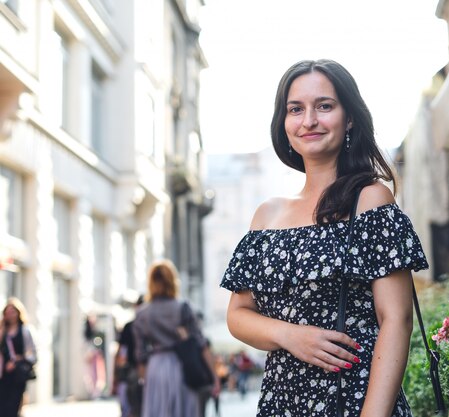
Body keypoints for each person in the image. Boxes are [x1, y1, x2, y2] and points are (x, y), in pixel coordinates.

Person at [221, 59, 429, 417]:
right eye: (295, 109)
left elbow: (396, 319)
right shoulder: (267, 215)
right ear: (283, 122)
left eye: (324, 106)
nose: (309, 121)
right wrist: (291, 335)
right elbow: (239, 314)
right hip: (282, 404)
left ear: (349, 118)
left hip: (355, 400)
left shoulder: (370, 199)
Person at [133, 260, 219, 417]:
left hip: (155, 368)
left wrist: (145, 380)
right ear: (172, 280)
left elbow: (140, 354)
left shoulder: (142, 313)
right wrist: (214, 377)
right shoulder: (183, 307)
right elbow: (201, 344)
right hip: (181, 365)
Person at [0, 297, 37, 417]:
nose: (10, 315)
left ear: (18, 313)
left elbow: (32, 354)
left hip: (18, 375)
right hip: (3, 374)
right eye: (7, 312)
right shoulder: (2, 331)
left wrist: (16, 361)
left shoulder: (25, 331)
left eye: (13, 312)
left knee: (13, 407)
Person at [114, 294, 144, 417]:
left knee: (132, 409)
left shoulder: (130, 326)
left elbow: (121, 353)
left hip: (133, 372)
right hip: (136, 372)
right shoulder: (131, 326)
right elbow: (121, 353)